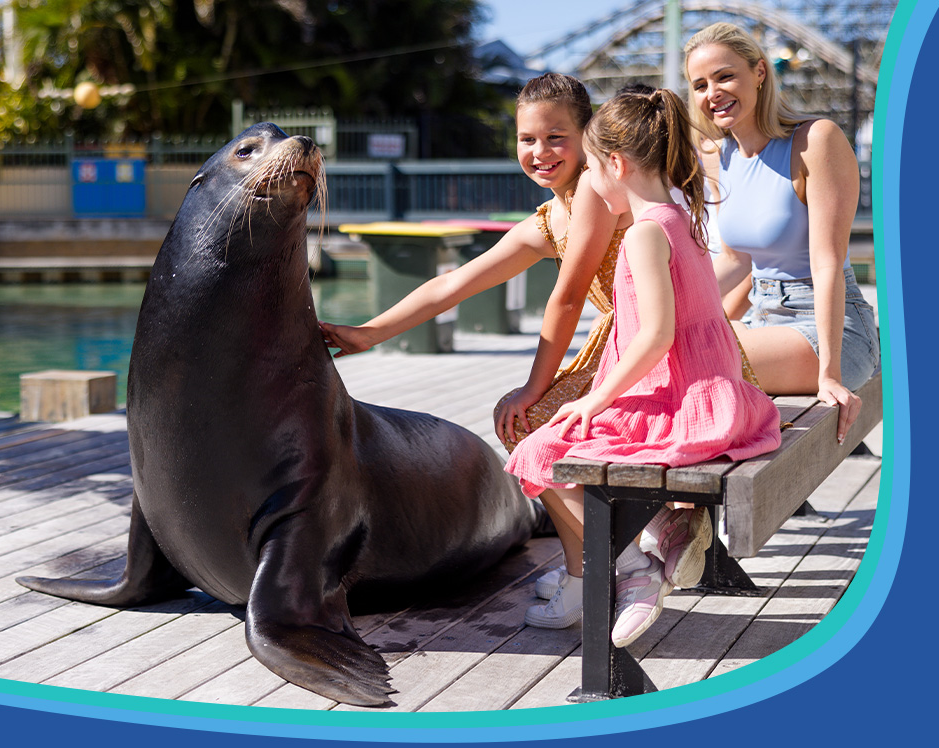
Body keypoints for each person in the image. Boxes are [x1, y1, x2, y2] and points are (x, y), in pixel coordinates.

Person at [320, 74, 635, 630]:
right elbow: (454, 284)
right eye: (527, 139)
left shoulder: (597, 188)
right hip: (621, 339)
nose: (540, 153)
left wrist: (536, 386)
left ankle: (607, 566)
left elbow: (565, 300)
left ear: (589, 134)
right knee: (524, 423)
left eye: (556, 137)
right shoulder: (550, 217)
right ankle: (591, 560)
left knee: (531, 417)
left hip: (649, 344)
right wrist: (370, 333)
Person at [503, 88, 782, 647]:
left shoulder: (643, 234)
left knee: (536, 449)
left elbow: (655, 335)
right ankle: (635, 545)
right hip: (718, 393)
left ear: (616, 164)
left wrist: (596, 397)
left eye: (591, 169)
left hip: (684, 401)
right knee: (565, 441)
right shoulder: (680, 212)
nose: (588, 185)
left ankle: (631, 569)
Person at [684, 22, 881, 445]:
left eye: (724, 76)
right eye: (700, 84)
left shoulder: (815, 140)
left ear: (759, 72)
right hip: (764, 319)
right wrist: (662, 313)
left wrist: (828, 373)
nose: (711, 92)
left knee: (691, 360)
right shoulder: (722, 156)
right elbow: (736, 260)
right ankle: (681, 502)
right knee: (662, 344)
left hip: (832, 329)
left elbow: (826, 262)